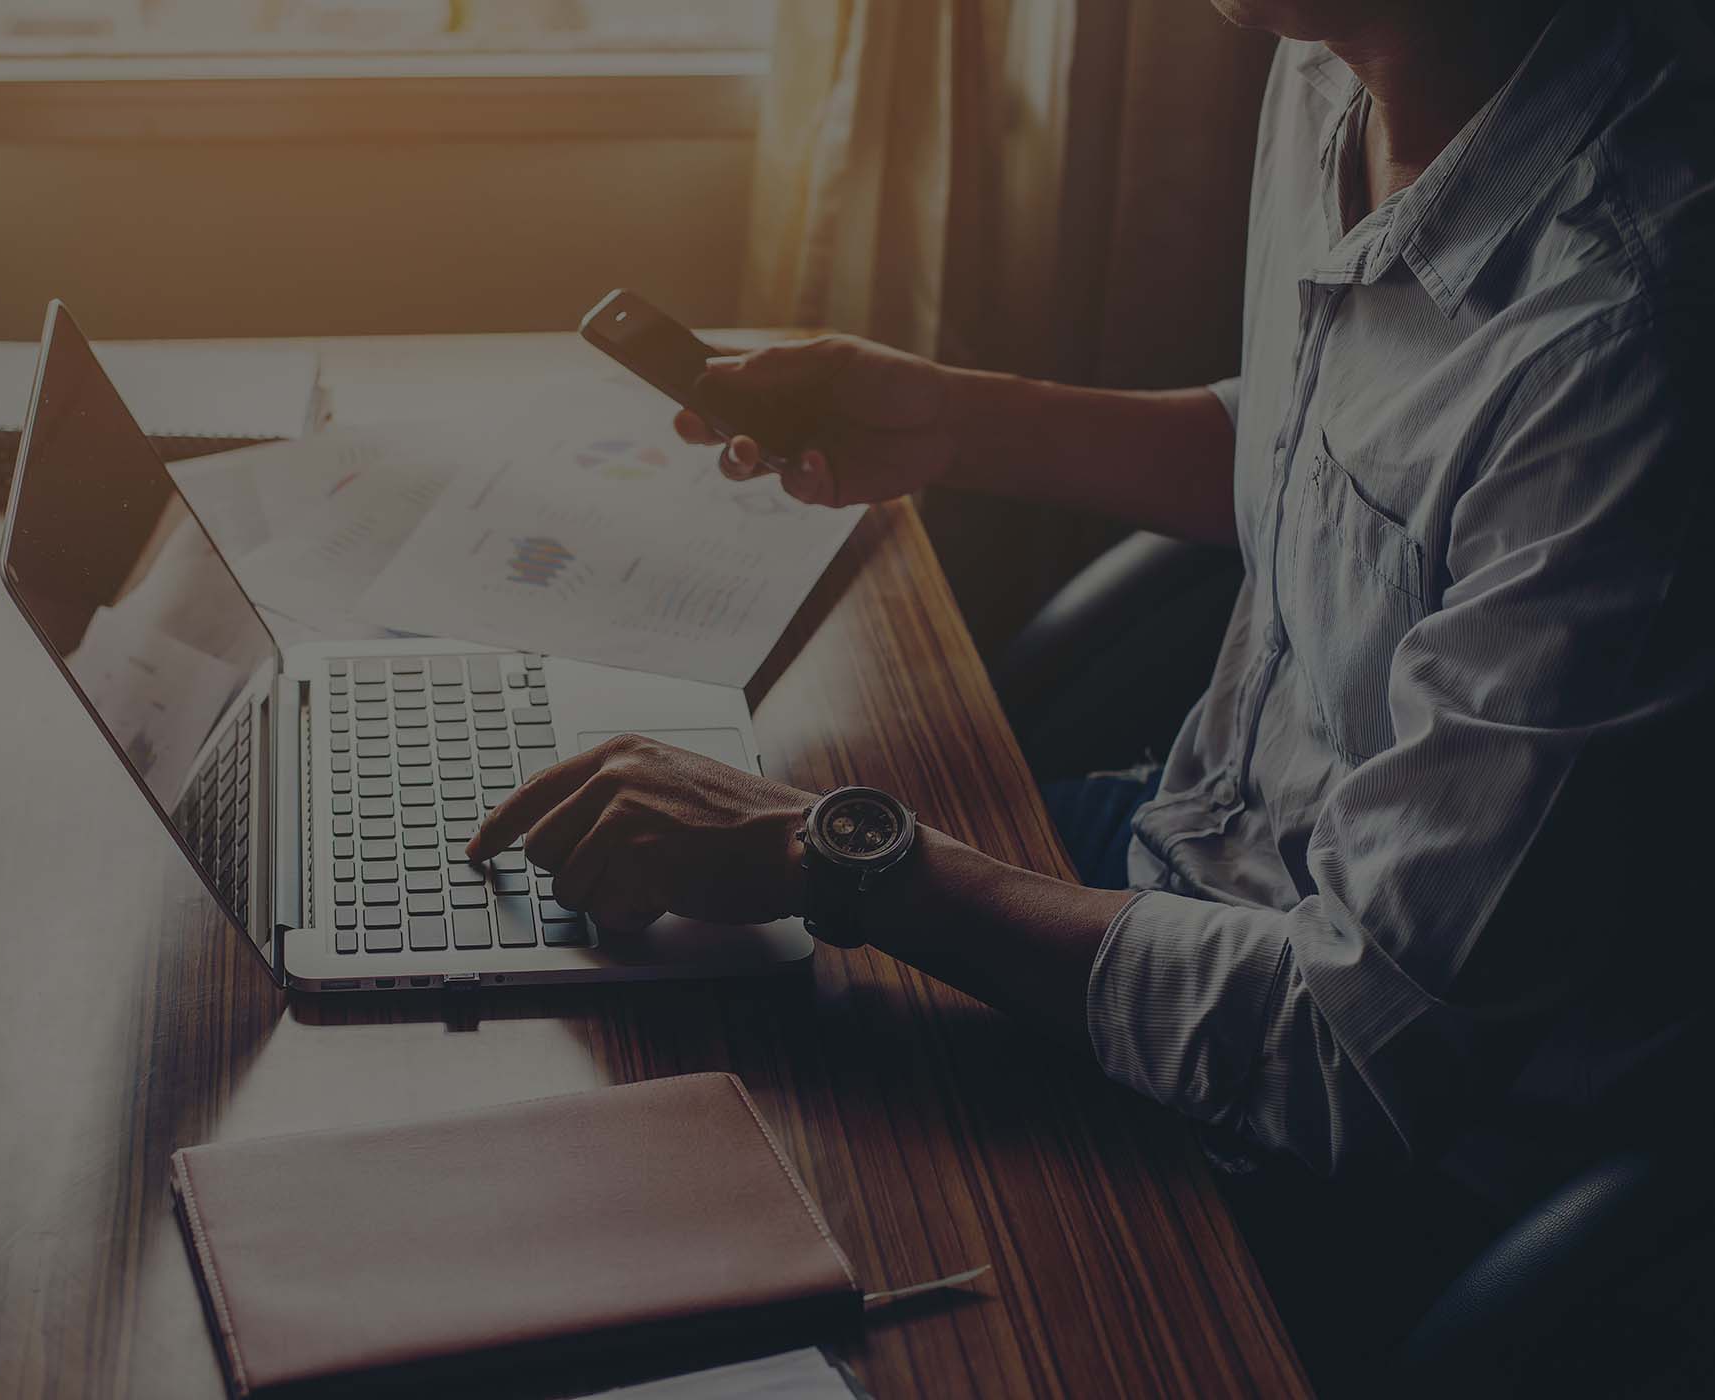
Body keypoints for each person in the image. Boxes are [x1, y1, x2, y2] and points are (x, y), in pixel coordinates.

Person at [470, 0, 1714, 1379]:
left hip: (1389, 1160)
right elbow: (1344, 451)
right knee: (586, 1024)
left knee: (671, 1279)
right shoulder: (1328, 64)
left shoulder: (1636, 333)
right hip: (1179, 868)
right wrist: (950, 417)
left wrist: (831, 854)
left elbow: (1355, 1057)